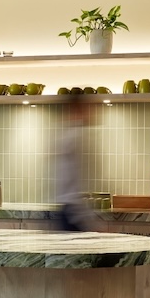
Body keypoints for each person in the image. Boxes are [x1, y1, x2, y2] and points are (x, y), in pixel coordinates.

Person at [55, 94, 104, 232]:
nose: (93, 112)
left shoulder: (71, 135)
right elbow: (75, 186)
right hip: (73, 214)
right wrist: (90, 221)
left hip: (71, 212)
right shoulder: (76, 137)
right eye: (88, 108)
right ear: (78, 109)